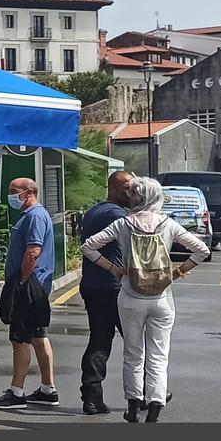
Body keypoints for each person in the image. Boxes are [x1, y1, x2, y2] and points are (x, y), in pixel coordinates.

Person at [81, 176, 208, 422]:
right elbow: (202, 250)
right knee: (159, 354)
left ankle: (132, 406)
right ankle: (156, 406)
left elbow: (88, 247)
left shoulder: (123, 224)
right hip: (162, 297)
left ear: (135, 196)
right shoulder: (168, 224)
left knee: (133, 354)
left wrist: (114, 269)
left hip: (130, 295)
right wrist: (178, 272)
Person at [0, 178, 60, 410]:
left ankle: (16, 391)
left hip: (29, 285)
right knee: (38, 335)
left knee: (19, 337)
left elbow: (33, 252)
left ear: (29, 192)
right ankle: (48, 389)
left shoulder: (34, 216)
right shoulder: (31, 215)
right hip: (34, 284)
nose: (11, 195)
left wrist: (21, 280)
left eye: (14, 191)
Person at [77, 171, 135, 415]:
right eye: (128, 189)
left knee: (99, 340)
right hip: (114, 287)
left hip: (91, 285)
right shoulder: (117, 216)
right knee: (136, 343)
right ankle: (147, 393)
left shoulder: (94, 211)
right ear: (116, 189)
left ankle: (92, 396)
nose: (132, 194)